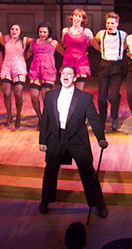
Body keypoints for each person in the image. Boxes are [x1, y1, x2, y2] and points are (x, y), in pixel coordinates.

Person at [39, 65, 108, 218]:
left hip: (77, 138)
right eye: (63, 73)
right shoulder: (50, 96)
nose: (65, 75)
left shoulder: (84, 97)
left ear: (75, 78)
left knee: (87, 171)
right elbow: (45, 120)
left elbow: (94, 119)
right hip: (56, 137)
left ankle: (98, 203)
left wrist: (101, 138)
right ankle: (45, 200)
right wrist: (42, 140)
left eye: (69, 73)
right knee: (50, 170)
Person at [91, 12, 127, 132]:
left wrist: (120, 51)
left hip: (117, 66)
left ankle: (114, 118)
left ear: (117, 24)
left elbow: (126, 45)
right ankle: (102, 120)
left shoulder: (123, 34)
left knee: (114, 96)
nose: (110, 25)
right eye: (108, 23)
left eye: (112, 23)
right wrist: (100, 49)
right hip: (104, 65)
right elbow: (93, 41)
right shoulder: (101, 33)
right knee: (102, 97)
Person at [25, 22, 59, 129]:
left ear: (49, 33)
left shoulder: (53, 43)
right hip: (35, 71)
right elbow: (28, 54)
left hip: (48, 71)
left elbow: (64, 52)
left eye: (45, 32)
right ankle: (40, 118)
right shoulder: (34, 43)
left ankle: (47, 119)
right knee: (34, 96)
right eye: (40, 32)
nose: (42, 34)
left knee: (46, 97)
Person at [0, 24, 32, 129]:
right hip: (7, 67)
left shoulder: (24, 40)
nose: (14, 31)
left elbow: (36, 42)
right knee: (6, 93)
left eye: (16, 29)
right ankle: (9, 116)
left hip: (19, 67)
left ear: (20, 31)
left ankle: (18, 116)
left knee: (18, 94)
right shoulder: (6, 39)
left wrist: (27, 54)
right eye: (12, 29)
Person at [58, 9, 94, 90]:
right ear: (72, 17)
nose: (77, 18)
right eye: (75, 15)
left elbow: (93, 43)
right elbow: (62, 44)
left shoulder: (87, 31)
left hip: (81, 61)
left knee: (79, 91)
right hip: (68, 61)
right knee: (68, 89)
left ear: (83, 19)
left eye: (79, 16)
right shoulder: (65, 31)